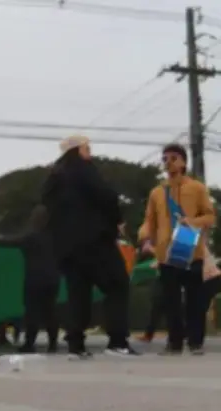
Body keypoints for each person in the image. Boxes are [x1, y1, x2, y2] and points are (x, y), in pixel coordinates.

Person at [42, 135, 137, 359]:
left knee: (78, 293)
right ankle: (117, 342)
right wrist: (117, 221)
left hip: (66, 247)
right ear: (78, 150)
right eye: (87, 148)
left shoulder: (54, 178)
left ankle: (76, 345)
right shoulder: (83, 169)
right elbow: (107, 195)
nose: (90, 152)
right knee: (117, 285)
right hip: (94, 241)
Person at [138, 143, 216, 355]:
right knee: (170, 300)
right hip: (165, 252)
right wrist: (144, 237)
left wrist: (191, 222)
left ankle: (195, 342)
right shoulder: (157, 192)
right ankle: (174, 342)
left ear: (183, 162)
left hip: (190, 246)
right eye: (164, 158)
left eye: (173, 158)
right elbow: (149, 221)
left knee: (195, 301)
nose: (168, 162)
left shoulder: (197, 188)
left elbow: (210, 216)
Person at [0, 205, 60, 353]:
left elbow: (6, 242)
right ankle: (53, 344)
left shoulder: (30, 237)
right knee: (50, 311)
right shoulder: (55, 237)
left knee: (32, 312)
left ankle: (29, 344)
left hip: (34, 279)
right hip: (53, 279)